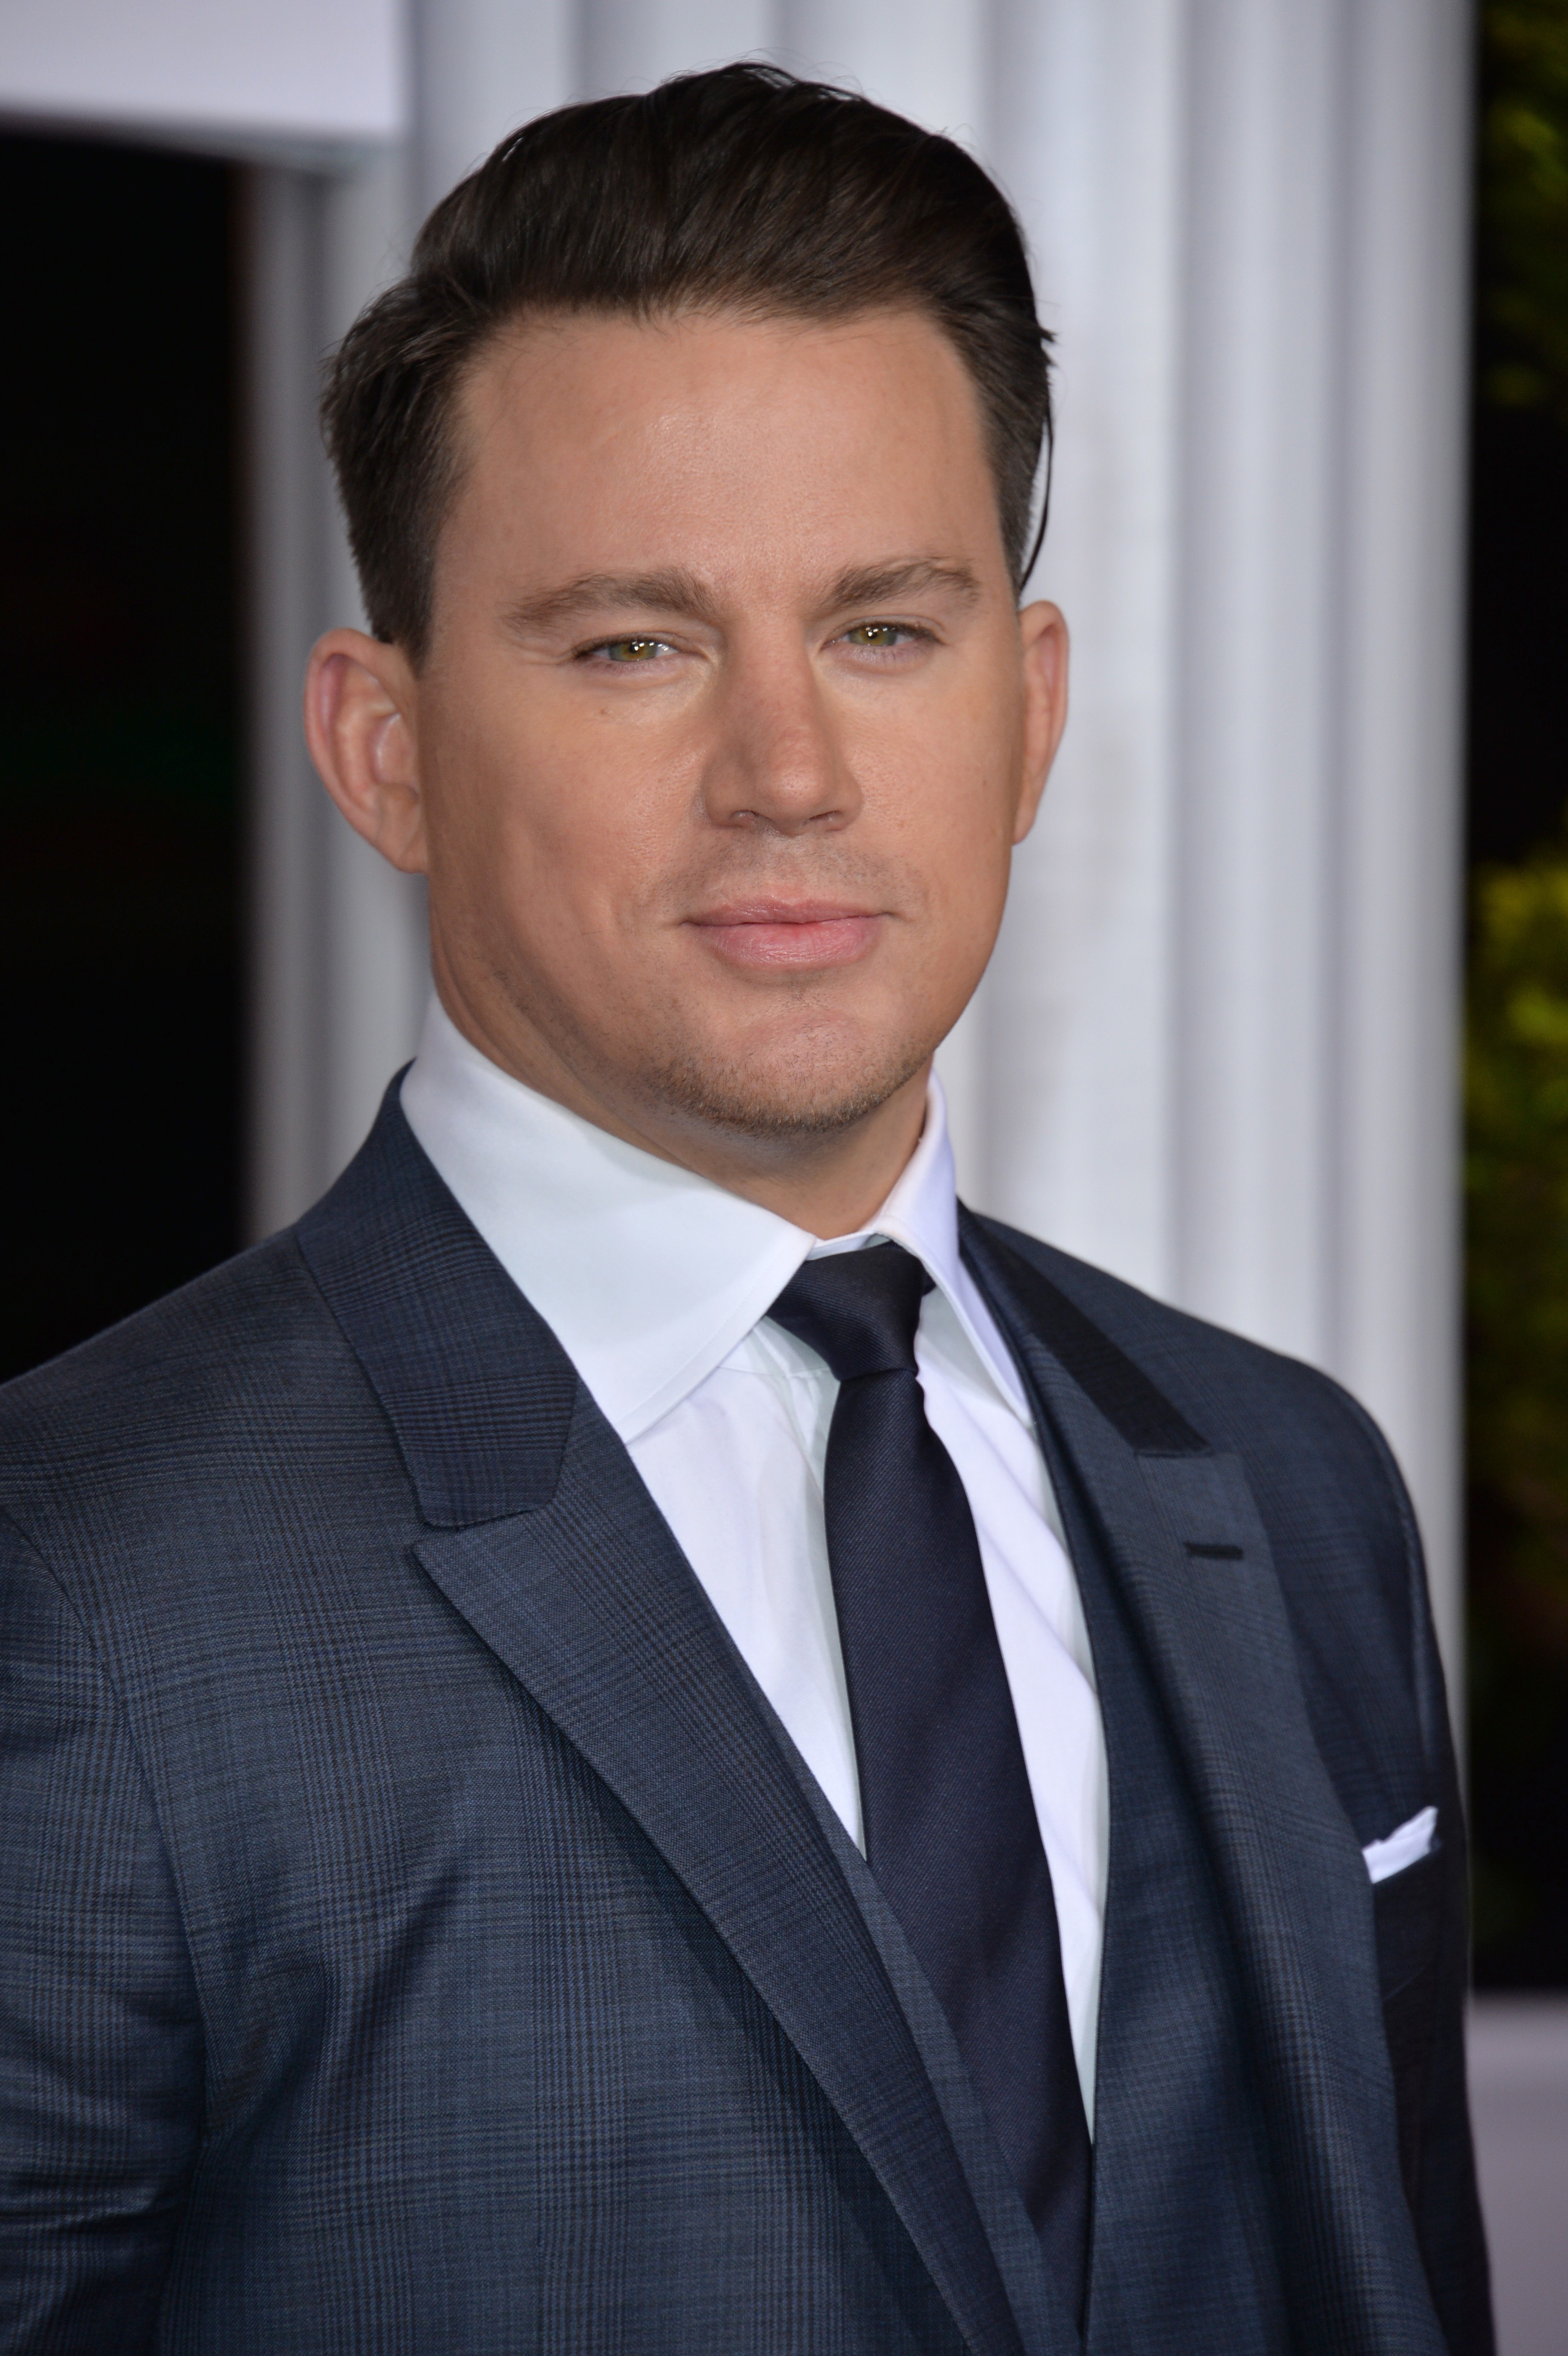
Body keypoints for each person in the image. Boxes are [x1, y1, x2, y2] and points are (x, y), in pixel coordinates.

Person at [0, 63, 1490, 2356]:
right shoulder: (76, 1575)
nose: (787, 772)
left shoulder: (1288, 1485)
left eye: (884, 630)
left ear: (1029, 710)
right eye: (636, 643)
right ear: (385, 746)